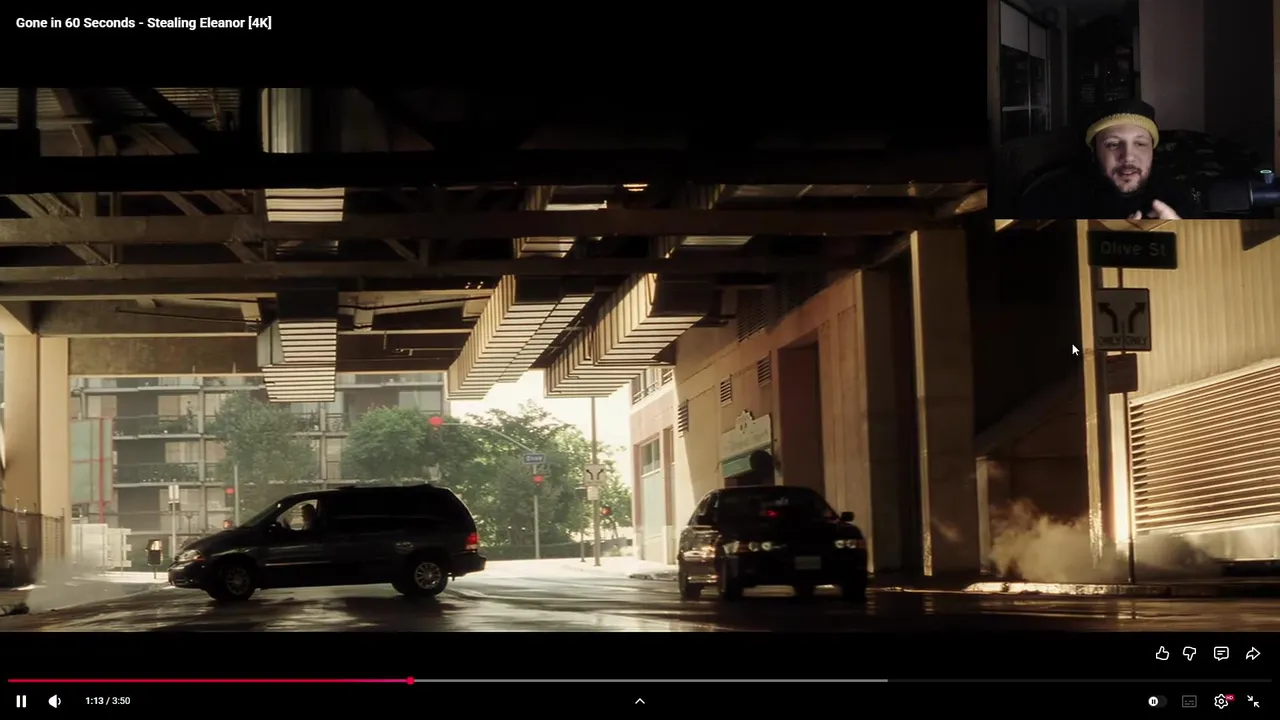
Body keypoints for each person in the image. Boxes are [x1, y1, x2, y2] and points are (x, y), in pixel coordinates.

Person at [1016, 99, 1203, 220]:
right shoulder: (1050, 198)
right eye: (1113, 144)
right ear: (1094, 151)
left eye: (1140, 144)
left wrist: (1181, 241)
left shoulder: (1179, 198)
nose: (1128, 156)